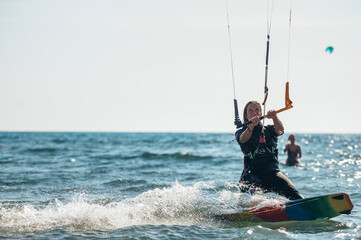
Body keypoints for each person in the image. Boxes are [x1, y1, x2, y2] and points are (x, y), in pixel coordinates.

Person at [235, 101, 303, 200]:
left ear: (261, 113)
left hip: (272, 173)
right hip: (252, 175)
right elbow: (243, 139)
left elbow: (280, 130)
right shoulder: (241, 132)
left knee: (295, 195)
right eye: (250, 111)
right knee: (246, 200)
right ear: (246, 115)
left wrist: (275, 117)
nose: (254, 113)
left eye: (257, 110)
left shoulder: (269, 130)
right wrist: (250, 127)